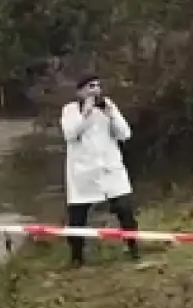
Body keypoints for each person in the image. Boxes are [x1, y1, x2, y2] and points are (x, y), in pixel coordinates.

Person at [60, 75, 140, 267]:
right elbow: (70, 134)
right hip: (83, 174)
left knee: (124, 209)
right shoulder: (70, 110)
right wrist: (85, 115)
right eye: (90, 86)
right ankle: (76, 257)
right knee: (77, 218)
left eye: (97, 86)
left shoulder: (108, 106)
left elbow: (125, 134)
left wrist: (112, 114)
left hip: (110, 171)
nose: (95, 90)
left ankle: (133, 247)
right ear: (80, 91)